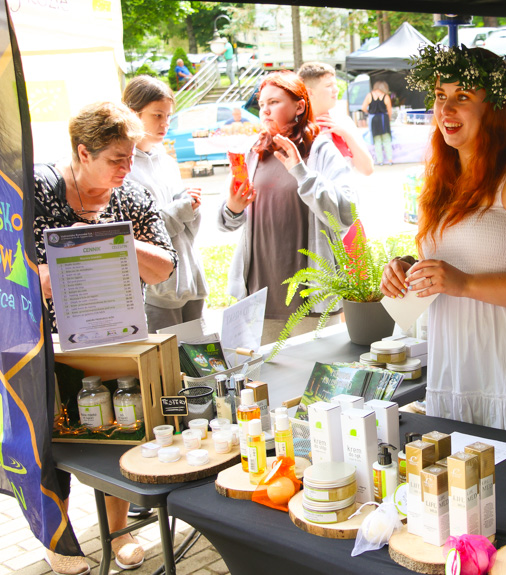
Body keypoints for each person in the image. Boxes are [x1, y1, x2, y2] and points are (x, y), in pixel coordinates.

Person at [381, 46, 506, 444]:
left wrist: (465, 284)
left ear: (496, 108)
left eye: (463, 97)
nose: (446, 109)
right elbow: (453, 258)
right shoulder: (444, 176)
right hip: (456, 363)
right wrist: (409, 267)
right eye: (441, 96)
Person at [33, 101, 177, 574]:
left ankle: (119, 533)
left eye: (131, 156)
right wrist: (50, 270)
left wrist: (116, 239)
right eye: (117, 158)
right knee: (50, 443)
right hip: (44, 343)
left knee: (120, 430)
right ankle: (59, 539)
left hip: (116, 339)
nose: (127, 167)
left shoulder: (131, 196)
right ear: (82, 152)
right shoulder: (35, 191)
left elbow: (164, 267)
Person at [216, 71, 354, 345]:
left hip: (310, 299)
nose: (265, 110)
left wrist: (302, 173)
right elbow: (226, 221)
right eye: (262, 103)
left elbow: (345, 213)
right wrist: (233, 206)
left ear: (299, 106)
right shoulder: (253, 151)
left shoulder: (320, 149)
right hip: (260, 295)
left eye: (274, 102)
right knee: (267, 382)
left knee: (310, 380)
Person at [123, 75, 209, 332]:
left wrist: (192, 207)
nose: (165, 124)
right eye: (157, 115)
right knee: (168, 364)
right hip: (158, 289)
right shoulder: (124, 167)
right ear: (133, 114)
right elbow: (138, 233)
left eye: (168, 116)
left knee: (197, 359)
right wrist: (180, 209)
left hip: (189, 280)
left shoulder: (167, 162)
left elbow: (187, 228)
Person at [298, 62, 374, 176]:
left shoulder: (342, 121)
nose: (336, 90)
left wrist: (345, 134)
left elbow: (367, 169)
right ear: (310, 92)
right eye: (329, 86)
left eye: (335, 84)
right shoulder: (297, 126)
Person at [361, 80, 393, 166]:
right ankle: (390, 160)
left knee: (377, 140)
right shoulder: (386, 96)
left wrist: (369, 112)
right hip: (384, 119)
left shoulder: (369, 95)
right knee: (386, 140)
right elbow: (390, 111)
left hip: (374, 119)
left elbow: (363, 107)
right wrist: (388, 120)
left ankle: (380, 161)